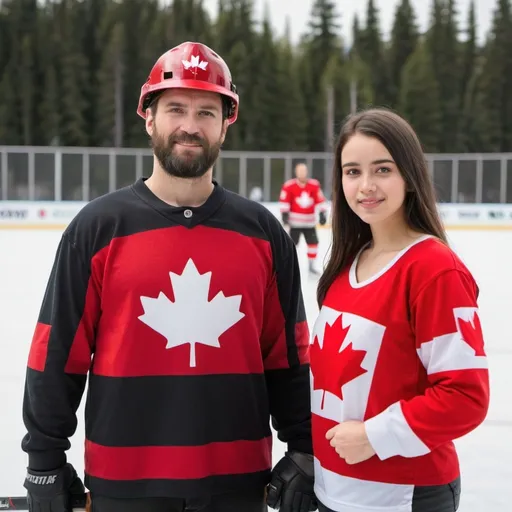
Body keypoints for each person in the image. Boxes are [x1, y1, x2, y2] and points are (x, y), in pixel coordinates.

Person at [21, 41, 317, 512]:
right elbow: (56, 351)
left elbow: (290, 355)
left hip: (238, 482)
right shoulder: (97, 229)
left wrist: (305, 447)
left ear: (226, 123)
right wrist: (44, 458)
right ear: (149, 117)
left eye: (206, 112)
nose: (190, 126)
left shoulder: (263, 234)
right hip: (124, 481)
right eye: (175, 108)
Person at [310, 108, 490, 512]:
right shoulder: (347, 265)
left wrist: (375, 436)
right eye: (352, 171)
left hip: (400, 497)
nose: (366, 185)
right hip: (334, 492)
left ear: (408, 176)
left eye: (383, 170)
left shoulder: (433, 269)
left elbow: (466, 396)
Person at [279, 163, 327, 275]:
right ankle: (289, 266)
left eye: (304, 171)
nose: (302, 173)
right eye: (300, 171)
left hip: (309, 223)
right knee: (291, 246)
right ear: (296, 172)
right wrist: (284, 215)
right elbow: (284, 200)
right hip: (294, 223)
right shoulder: (289, 186)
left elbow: (320, 200)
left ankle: (311, 266)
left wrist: (322, 214)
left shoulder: (314, 185)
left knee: (313, 243)